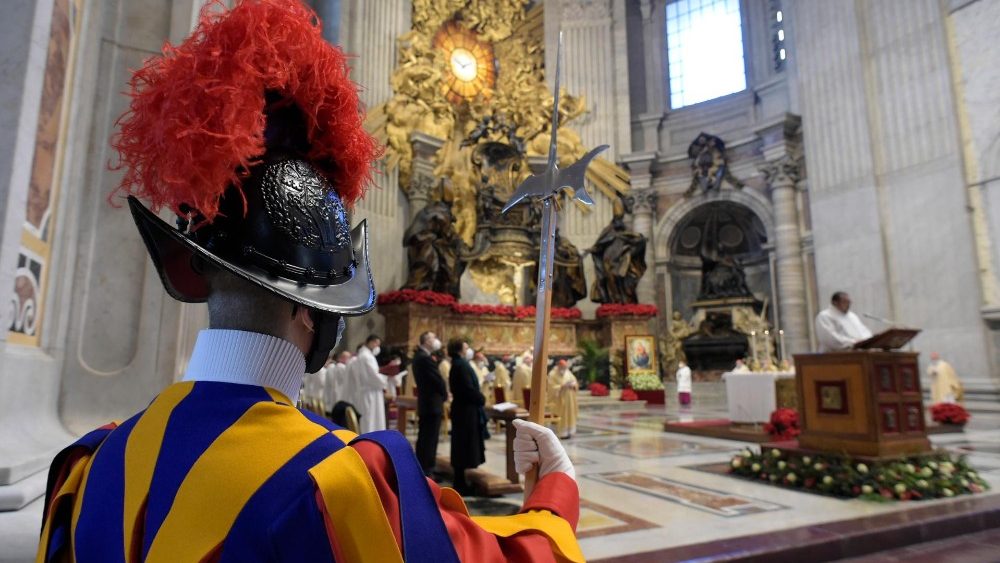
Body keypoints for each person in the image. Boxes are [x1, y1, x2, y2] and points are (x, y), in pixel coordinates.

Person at [36, 4, 583, 560]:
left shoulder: (90, 467)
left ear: (202, 271)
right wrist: (553, 489)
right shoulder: (343, 484)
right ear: (310, 309)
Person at [448, 338, 486, 495]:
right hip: (466, 411)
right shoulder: (461, 365)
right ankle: (460, 484)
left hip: (462, 409)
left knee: (461, 445)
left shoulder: (458, 363)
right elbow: (467, 389)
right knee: (464, 445)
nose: (468, 349)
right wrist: (481, 398)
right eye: (466, 346)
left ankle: (460, 481)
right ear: (459, 349)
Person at [413, 331, 448, 477]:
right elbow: (437, 380)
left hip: (426, 403)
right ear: (426, 341)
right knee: (429, 438)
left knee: (425, 437)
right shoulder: (424, 358)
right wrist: (445, 394)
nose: (436, 340)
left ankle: (424, 467)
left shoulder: (419, 356)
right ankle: (427, 470)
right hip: (432, 404)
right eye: (433, 338)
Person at [350, 334, 400, 434]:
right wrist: (387, 378)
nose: (378, 347)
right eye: (377, 344)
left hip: (368, 391)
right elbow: (373, 376)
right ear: (371, 342)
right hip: (371, 393)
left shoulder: (363, 355)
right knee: (371, 420)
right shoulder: (367, 357)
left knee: (370, 419)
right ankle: (370, 440)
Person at [548, 360, 579, 439]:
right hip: (559, 400)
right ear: (558, 366)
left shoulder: (568, 373)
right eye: (562, 366)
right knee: (561, 415)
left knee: (570, 414)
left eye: (565, 367)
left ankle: (570, 431)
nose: (564, 368)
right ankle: (561, 432)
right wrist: (562, 386)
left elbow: (575, 382)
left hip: (570, 398)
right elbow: (551, 387)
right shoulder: (552, 374)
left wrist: (573, 385)